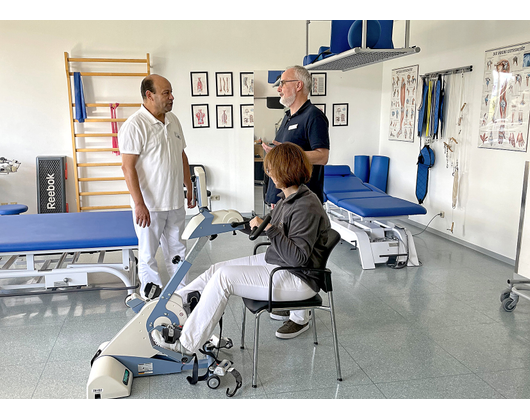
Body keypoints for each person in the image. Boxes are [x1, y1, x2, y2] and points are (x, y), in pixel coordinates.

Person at [151, 143, 333, 355]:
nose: (269, 174)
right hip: (278, 263)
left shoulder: (305, 207)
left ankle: (187, 344)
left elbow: (297, 257)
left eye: (271, 169)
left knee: (223, 278)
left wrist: (271, 229)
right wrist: (237, 222)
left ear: (285, 170)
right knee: (215, 269)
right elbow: (268, 229)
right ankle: (175, 305)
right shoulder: (290, 197)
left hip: (298, 278)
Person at [262, 65, 330, 334]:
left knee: (298, 256)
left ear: (299, 85)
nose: (279, 88)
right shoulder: (287, 116)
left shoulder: (314, 117)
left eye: (283, 83)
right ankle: (291, 301)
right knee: (284, 253)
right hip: (281, 198)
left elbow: (322, 156)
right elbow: (285, 158)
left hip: (301, 203)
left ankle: (301, 315)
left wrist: (291, 153)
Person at [118, 74, 195, 297]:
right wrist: (139, 204)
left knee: (178, 250)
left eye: (171, 92)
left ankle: (182, 295)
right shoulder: (135, 125)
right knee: (148, 254)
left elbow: (181, 155)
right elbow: (127, 168)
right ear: (149, 95)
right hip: (149, 206)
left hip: (174, 201)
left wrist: (188, 185)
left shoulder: (173, 121)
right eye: (166, 93)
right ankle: (151, 299)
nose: (172, 97)